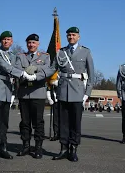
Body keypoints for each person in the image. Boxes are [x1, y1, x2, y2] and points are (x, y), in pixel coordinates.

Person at [0, 30, 35, 161]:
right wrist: (23, 74)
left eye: (9, 39)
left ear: (12, 42)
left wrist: (30, 70)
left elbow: (17, 67)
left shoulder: (13, 56)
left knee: (4, 122)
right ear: (1, 41)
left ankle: (4, 148)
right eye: (4, 39)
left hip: (7, 90)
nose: (6, 41)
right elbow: (6, 67)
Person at [50, 26, 94, 162]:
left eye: (74, 35)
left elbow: (91, 76)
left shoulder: (85, 52)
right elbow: (52, 68)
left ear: (78, 37)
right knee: (63, 122)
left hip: (78, 91)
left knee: (75, 123)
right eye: (69, 35)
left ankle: (73, 149)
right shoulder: (61, 52)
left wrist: (87, 94)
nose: (71, 37)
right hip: (63, 90)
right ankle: (63, 148)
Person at [14, 34, 55, 159]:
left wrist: (36, 71)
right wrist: (25, 74)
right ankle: (26, 145)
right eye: (29, 43)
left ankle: (38, 147)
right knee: (25, 122)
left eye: (33, 43)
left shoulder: (45, 56)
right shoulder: (20, 56)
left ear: (38, 44)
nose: (31, 45)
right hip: (24, 93)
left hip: (38, 92)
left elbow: (48, 70)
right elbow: (16, 68)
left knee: (38, 123)